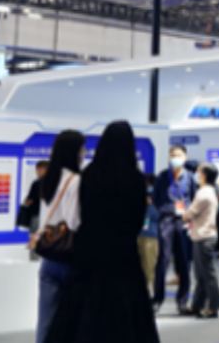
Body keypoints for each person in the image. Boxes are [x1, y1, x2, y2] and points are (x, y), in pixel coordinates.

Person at [51, 121, 157, 343]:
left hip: (90, 253)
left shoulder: (89, 174)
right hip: (124, 256)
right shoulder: (135, 179)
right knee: (127, 317)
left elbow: (80, 214)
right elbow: (138, 220)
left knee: (80, 315)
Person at [35, 129, 84, 343]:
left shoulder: (48, 179)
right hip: (68, 258)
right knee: (71, 323)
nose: (84, 153)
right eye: (82, 149)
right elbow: (73, 222)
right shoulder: (75, 181)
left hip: (48, 257)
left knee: (45, 321)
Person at [152, 144, 195, 315]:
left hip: (184, 223)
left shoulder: (190, 177)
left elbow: (194, 199)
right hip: (166, 222)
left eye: (178, 155)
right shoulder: (163, 176)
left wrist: (189, 215)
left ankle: (182, 302)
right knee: (162, 262)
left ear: (185, 157)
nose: (175, 158)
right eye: (172, 155)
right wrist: (168, 210)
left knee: (184, 263)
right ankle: (157, 300)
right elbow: (156, 199)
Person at [187, 163, 219, 319]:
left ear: (204, 175)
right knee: (201, 275)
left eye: (198, 172)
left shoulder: (203, 193)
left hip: (203, 237)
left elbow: (189, 214)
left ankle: (213, 307)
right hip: (203, 235)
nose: (196, 174)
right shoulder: (210, 191)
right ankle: (197, 305)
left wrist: (182, 212)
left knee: (207, 275)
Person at [139, 175, 160, 293]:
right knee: (146, 264)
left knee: (149, 264)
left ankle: (149, 288)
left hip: (149, 235)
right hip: (143, 234)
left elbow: (158, 215)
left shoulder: (155, 198)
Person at [19, 161, 49, 231]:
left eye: (39, 170)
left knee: (35, 235)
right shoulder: (56, 183)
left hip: (37, 215)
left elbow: (29, 200)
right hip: (51, 217)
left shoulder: (37, 183)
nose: (37, 172)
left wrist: (26, 202)